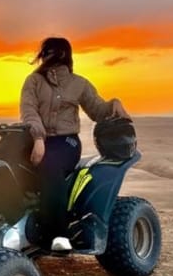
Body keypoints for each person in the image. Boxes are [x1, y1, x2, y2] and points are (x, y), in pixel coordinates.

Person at [20, 37, 130, 251]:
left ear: (66, 55)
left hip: (65, 141)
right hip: (37, 138)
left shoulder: (79, 83)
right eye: (48, 52)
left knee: (50, 165)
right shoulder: (33, 81)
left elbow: (97, 110)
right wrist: (38, 137)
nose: (52, 57)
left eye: (56, 53)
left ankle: (57, 234)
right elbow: (28, 110)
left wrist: (114, 104)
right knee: (6, 159)